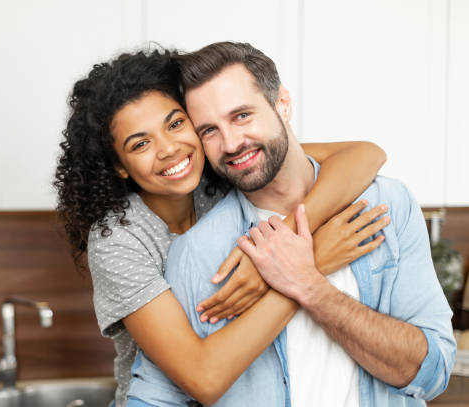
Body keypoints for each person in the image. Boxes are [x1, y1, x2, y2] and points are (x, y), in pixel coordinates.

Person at [127, 42, 456, 406]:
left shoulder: (386, 206)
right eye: (209, 131)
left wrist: (311, 287)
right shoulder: (196, 251)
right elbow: (154, 398)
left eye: (241, 116)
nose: (232, 143)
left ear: (282, 104)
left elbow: (433, 372)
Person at [55, 48, 388, 407]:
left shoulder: (223, 171)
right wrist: (310, 267)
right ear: (119, 166)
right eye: (140, 143)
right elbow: (204, 377)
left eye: (176, 123)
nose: (168, 149)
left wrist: (291, 235)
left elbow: (365, 153)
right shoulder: (118, 239)